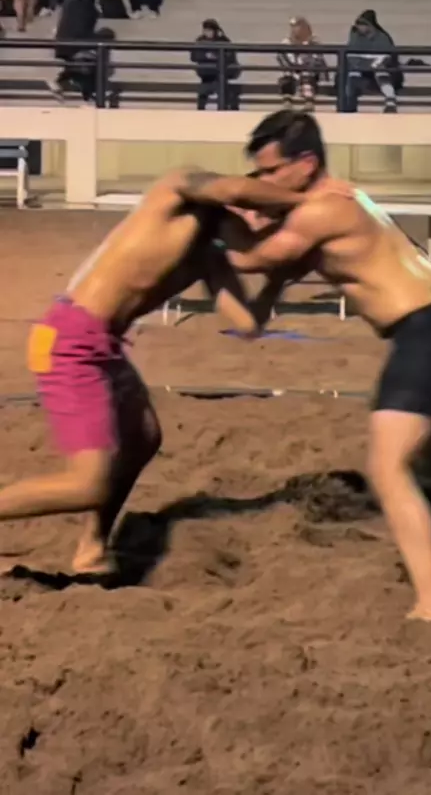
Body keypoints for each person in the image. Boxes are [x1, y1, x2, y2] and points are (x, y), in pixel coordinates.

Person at [226, 110, 431, 623]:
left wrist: (205, 224)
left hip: (428, 330)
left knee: (386, 466)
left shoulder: (324, 209)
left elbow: (254, 259)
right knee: (410, 433)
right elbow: (280, 275)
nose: (263, 182)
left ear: (305, 163)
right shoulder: (336, 199)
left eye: (270, 171)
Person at [0, 170, 304, 576]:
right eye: (259, 217)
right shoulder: (176, 195)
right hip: (68, 340)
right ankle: (88, 543)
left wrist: (277, 281)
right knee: (88, 485)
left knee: (143, 438)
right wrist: (304, 201)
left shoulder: (207, 256)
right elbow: (234, 187)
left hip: (104, 344)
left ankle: (91, 548)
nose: (259, 234)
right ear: (236, 206)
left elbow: (246, 324)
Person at [344, 9, 403, 114]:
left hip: (380, 69)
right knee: (352, 74)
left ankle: (390, 100)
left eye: (362, 24)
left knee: (381, 72)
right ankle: (349, 104)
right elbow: (352, 56)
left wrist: (374, 64)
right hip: (362, 70)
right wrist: (361, 65)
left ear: (370, 26)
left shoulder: (382, 38)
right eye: (358, 24)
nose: (359, 27)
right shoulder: (355, 36)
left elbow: (387, 57)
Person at [277, 16, 329, 112]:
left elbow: (316, 59)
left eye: (298, 26)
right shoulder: (286, 42)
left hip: (308, 71)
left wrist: (306, 65)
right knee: (286, 79)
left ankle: (309, 102)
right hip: (292, 70)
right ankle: (287, 102)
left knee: (307, 77)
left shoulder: (314, 43)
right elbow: (284, 58)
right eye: (293, 27)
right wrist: (295, 67)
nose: (295, 29)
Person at [191, 18, 241, 111]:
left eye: (210, 30)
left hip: (221, 75)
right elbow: (194, 56)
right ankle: (200, 111)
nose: (207, 33)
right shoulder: (200, 41)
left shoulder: (223, 41)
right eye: (205, 30)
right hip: (206, 75)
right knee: (203, 93)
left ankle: (226, 110)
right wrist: (207, 57)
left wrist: (214, 57)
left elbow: (230, 57)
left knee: (228, 93)